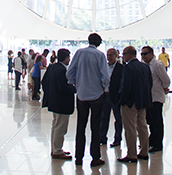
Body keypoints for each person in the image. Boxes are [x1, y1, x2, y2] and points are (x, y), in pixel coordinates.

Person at [65, 32, 110, 167]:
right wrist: (104, 87)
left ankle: (79, 157)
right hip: (96, 95)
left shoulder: (79, 53)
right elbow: (106, 76)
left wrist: (75, 83)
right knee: (95, 127)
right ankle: (95, 157)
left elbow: (69, 73)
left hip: (82, 95)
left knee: (80, 126)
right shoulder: (100, 55)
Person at [114, 46, 151, 163]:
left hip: (130, 103)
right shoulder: (145, 67)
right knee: (142, 126)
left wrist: (122, 100)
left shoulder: (128, 67)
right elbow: (150, 83)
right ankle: (144, 151)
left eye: (123, 55)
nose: (123, 57)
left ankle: (132, 154)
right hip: (143, 101)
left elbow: (126, 86)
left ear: (129, 55)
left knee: (130, 128)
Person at [41, 48, 75, 159]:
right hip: (62, 103)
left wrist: (51, 94)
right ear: (66, 58)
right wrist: (75, 88)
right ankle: (57, 150)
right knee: (60, 127)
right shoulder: (62, 70)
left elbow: (44, 82)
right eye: (68, 57)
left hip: (54, 102)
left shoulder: (52, 68)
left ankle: (55, 148)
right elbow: (63, 87)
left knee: (55, 125)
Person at [141, 45, 169, 153]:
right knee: (150, 121)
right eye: (142, 54)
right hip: (148, 98)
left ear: (151, 54)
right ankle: (151, 141)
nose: (143, 56)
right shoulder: (144, 65)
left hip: (156, 97)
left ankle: (158, 144)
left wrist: (164, 87)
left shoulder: (157, 65)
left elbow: (165, 79)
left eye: (145, 54)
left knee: (157, 121)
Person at [98, 47, 124, 149]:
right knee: (104, 118)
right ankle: (102, 137)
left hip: (115, 96)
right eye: (107, 55)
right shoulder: (104, 67)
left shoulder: (121, 68)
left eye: (111, 55)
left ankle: (117, 138)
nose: (109, 57)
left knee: (118, 118)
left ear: (116, 56)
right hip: (105, 95)